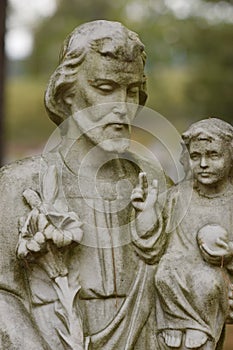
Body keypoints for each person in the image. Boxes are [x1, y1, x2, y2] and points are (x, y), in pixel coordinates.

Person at [0, 20, 170, 349]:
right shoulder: (17, 185)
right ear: (67, 94)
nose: (122, 105)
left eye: (132, 90)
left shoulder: (150, 181)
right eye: (105, 88)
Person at [150, 118, 233, 350]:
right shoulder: (178, 196)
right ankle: (175, 321)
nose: (203, 164)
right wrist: (147, 211)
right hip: (175, 272)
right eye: (196, 157)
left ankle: (199, 327)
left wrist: (230, 252)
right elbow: (155, 240)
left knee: (206, 282)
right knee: (164, 273)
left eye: (214, 155)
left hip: (213, 277)